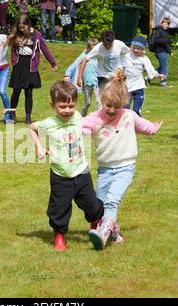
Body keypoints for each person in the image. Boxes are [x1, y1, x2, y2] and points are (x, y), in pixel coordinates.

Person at [82, 70, 163, 250]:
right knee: (101, 205)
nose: (111, 110)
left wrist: (153, 128)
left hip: (125, 167)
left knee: (112, 200)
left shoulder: (128, 115)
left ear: (124, 103)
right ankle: (115, 233)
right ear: (102, 100)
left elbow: (143, 125)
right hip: (104, 169)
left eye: (116, 107)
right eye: (108, 105)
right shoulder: (95, 118)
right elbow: (80, 127)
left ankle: (103, 234)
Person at [29, 80, 104, 251]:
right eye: (62, 106)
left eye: (71, 106)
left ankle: (95, 227)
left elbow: (97, 118)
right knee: (59, 208)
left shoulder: (78, 117)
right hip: (60, 175)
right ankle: (59, 237)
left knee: (92, 204)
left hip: (81, 171)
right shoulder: (49, 123)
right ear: (53, 105)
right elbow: (31, 128)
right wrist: (39, 146)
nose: (67, 110)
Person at [8, 15, 57, 124]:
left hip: (30, 66)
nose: (22, 29)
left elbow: (45, 49)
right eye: (20, 27)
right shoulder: (16, 34)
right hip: (19, 65)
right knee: (16, 91)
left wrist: (52, 63)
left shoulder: (36, 35)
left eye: (24, 27)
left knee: (28, 92)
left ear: (28, 25)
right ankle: (12, 115)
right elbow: (11, 47)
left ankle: (28, 117)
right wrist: (14, 61)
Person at [123, 35, 164, 116]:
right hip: (126, 87)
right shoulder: (126, 56)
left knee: (136, 111)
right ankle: (126, 127)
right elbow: (120, 68)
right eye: (134, 48)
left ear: (142, 49)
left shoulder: (144, 58)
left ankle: (137, 126)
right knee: (125, 111)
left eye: (138, 49)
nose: (135, 50)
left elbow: (151, 70)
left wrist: (157, 75)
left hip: (139, 87)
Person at [64, 38, 101, 116]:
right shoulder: (84, 55)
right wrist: (67, 74)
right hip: (87, 83)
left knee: (99, 102)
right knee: (87, 103)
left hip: (97, 83)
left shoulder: (99, 56)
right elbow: (74, 64)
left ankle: (101, 118)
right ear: (88, 47)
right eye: (91, 48)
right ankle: (82, 117)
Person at [151, 17, 172, 87]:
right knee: (164, 67)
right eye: (165, 24)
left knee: (161, 67)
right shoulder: (158, 30)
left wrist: (169, 51)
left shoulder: (165, 32)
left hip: (163, 51)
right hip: (159, 51)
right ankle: (163, 82)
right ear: (161, 23)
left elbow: (166, 44)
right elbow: (156, 40)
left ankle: (149, 77)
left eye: (167, 24)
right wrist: (166, 40)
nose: (166, 25)